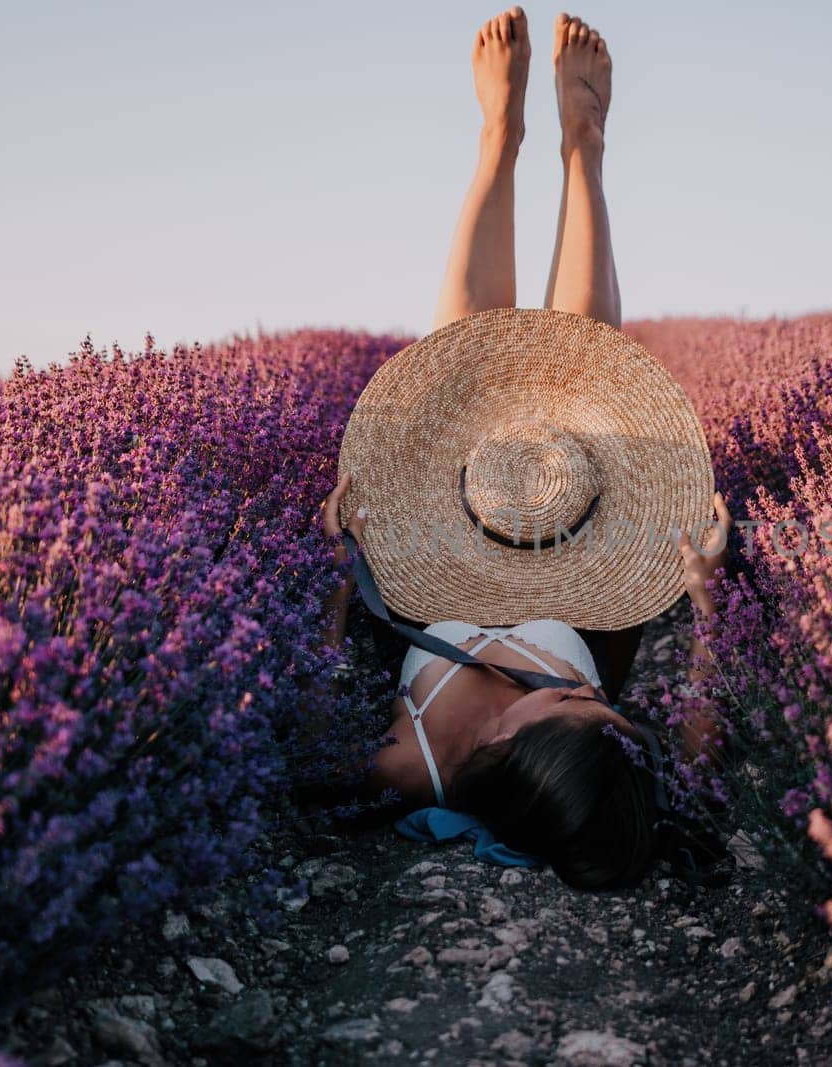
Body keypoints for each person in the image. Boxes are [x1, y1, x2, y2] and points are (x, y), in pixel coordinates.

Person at [311, 9, 730, 890]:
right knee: (580, 380)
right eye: (600, 709)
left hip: (459, 539)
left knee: (463, 369)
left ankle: (497, 140)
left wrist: (332, 578)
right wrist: (706, 602)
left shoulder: (409, 762)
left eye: (575, 705)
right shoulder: (595, 760)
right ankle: (586, 150)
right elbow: (693, 755)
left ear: (502, 741)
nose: (596, 702)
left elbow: (311, 724)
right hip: (578, 567)